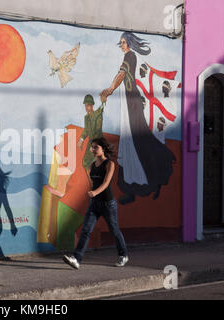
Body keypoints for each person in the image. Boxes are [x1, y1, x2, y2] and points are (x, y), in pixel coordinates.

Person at [100, 32, 175, 204]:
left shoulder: (130, 56)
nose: (122, 45)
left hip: (131, 103)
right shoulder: (128, 56)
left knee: (137, 143)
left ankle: (152, 182)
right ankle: (130, 189)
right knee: (129, 145)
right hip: (128, 102)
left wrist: (110, 89)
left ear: (130, 44)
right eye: (121, 43)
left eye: (124, 42)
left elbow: (120, 75)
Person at [63, 137, 128, 269]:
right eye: (92, 147)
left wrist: (95, 192)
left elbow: (106, 183)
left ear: (103, 148)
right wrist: (92, 194)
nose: (92, 149)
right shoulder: (92, 166)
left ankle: (123, 255)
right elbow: (93, 183)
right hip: (94, 204)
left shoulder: (109, 164)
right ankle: (77, 259)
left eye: (95, 147)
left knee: (114, 230)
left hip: (108, 204)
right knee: (86, 230)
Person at [77, 94, 105, 171]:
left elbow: (101, 108)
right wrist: (81, 140)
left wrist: (103, 101)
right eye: (85, 105)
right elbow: (86, 130)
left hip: (98, 142)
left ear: (92, 105)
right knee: (85, 162)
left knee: (97, 161)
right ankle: (92, 180)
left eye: (88, 105)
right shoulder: (86, 117)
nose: (86, 107)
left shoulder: (97, 114)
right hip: (91, 143)